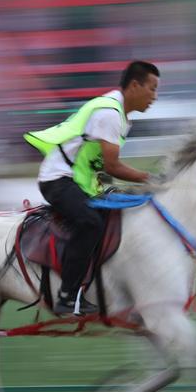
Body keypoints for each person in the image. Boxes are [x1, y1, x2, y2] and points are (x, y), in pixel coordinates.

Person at [24, 60, 159, 315]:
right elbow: (112, 167)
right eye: (152, 88)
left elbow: (97, 165)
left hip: (76, 181)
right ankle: (66, 296)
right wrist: (151, 179)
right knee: (90, 223)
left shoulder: (118, 113)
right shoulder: (109, 113)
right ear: (134, 85)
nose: (154, 96)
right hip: (58, 180)